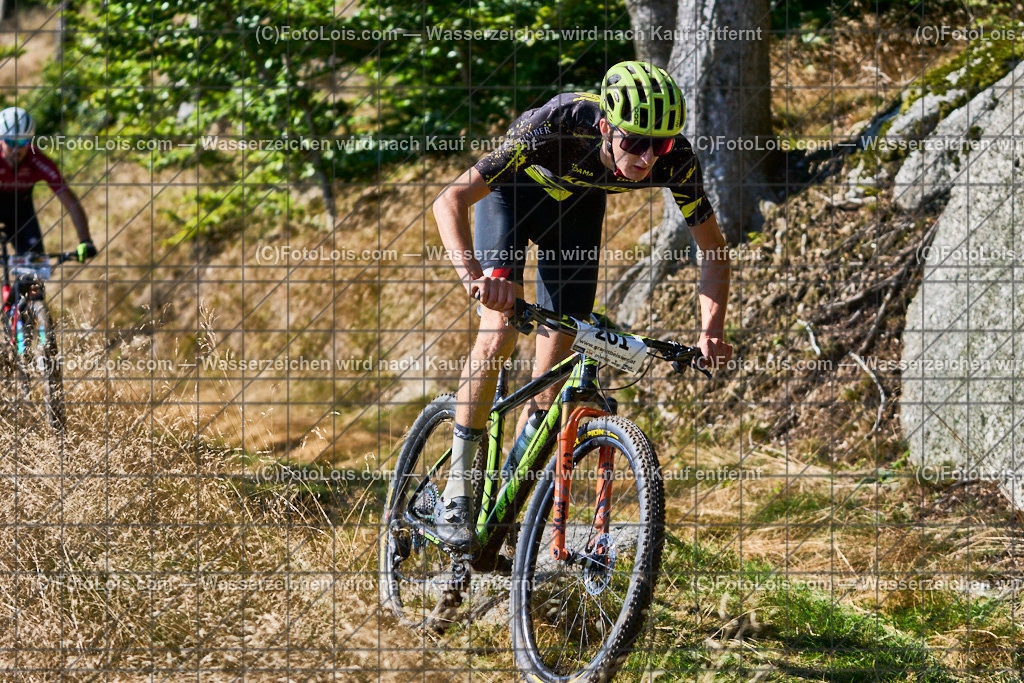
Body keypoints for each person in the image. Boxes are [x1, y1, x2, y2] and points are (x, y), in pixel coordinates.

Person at [431, 61, 733, 551]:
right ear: (605, 127)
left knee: (554, 376)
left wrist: (711, 331)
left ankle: (503, 506)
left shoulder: (675, 159)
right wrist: (477, 279)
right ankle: (457, 491)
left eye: (661, 143)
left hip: (575, 216)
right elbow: (450, 200)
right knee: (501, 329)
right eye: (635, 141)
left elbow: (714, 250)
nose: (648, 157)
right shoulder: (558, 122)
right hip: (511, 199)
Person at [0, 106, 96, 262]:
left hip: (21, 213)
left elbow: (70, 201)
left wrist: (85, 240)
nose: (17, 149)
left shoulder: (37, 161)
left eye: (23, 142)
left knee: (34, 272)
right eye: (11, 142)